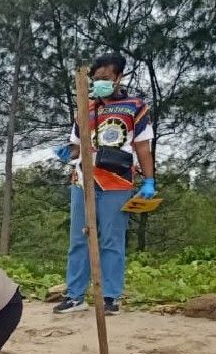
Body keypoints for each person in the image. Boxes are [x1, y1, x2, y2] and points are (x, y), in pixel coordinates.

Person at [54, 53, 156, 316]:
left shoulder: (135, 107)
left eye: (106, 78)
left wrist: (149, 180)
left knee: (112, 240)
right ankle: (75, 295)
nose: (100, 83)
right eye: (96, 79)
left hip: (117, 182)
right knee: (79, 238)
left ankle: (110, 296)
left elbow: (143, 147)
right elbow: (77, 146)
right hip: (83, 181)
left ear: (119, 77)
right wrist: (67, 152)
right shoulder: (85, 107)